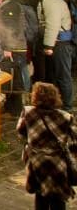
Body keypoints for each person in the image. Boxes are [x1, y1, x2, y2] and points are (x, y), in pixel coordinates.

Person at [20, 81, 77, 210]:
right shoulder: (66, 117)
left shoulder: (28, 113)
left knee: (40, 197)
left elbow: (21, 131)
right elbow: (74, 142)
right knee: (58, 199)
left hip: (37, 162)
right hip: (58, 163)